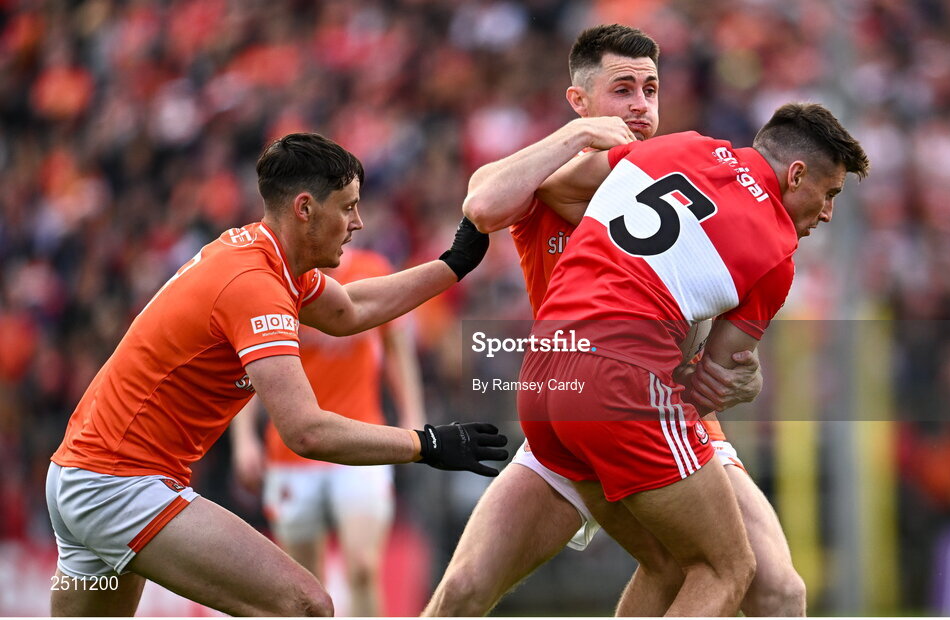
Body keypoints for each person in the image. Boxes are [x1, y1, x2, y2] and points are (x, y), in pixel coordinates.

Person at [45, 132, 508, 617]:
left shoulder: (267, 257)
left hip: (83, 475)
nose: (358, 222)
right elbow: (305, 430)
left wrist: (453, 265)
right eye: (348, 207)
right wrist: (426, 444)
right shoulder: (256, 285)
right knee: (306, 606)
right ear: (305, 208)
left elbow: (351, 308)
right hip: (121, 482)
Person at [424, 24, 800, 617]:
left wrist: (743, 380)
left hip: (660, 412)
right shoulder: (547, 177)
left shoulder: (675, 174)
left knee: (777, 589)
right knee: (464, 591)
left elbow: (731, 326)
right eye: (623, 90)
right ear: (580, 100)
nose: (641, 107)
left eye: (651, 90)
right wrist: (575, 135)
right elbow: (482, 202)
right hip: (574, 403)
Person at [519, 102, 870, 615]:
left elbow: (558, 187)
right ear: (796, 175)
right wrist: (743, 382)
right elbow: (712, 381)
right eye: (829, 193)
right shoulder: (777, 254)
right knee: (728, 568)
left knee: (666, 565)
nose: (827, 213)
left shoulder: (677, 145)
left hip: (542, 371)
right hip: (621, 381)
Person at [231, 246, 426, 616]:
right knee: (307, 591)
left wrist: (412, 412)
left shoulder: (374, 268)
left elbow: (398, 350)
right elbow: (253, 368)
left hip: (361, 444)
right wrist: (243, 438)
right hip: (293, 451)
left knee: (364, 569)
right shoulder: (278, 282)